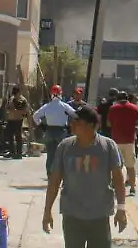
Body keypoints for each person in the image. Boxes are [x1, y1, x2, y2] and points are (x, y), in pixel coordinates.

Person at [42, 105, 128, 248]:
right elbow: (54, 181)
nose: (72, 125)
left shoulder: (108, 146)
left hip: (99, 216)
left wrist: (121, 208)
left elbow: (118, 179)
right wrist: (47, 212)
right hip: (72, 216)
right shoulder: (65, 146)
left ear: (91, 125)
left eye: (77, 122)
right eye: (72, 121)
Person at [34, 85, 77, 174]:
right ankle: (61, 174)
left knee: (50, 154)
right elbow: (76, 115)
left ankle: (50, 174)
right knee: (62, 154)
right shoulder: (64, 106)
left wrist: (42, 126)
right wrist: (71, 126)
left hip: (49, 131)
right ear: (60, 93)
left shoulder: (47, 106)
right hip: (61, 132)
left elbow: (35, 116)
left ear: (51, 94)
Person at [107, 92, 138, 195]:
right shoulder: (135, 108)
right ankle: (132, 188)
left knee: (116, 166)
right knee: (130, 166)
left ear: (118, 99)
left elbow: (108, 123)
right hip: (129, 141)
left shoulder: (113, 108)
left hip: (116, 141)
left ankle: (115, 186)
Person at [5, 86, 32, 159]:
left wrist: (16, 111)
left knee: (18, 137)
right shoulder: (12, 98)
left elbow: (25, 111)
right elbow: (7, 108)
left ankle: (19, 154)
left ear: (19, 93)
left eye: (16, 94)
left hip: (18, 120)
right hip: (10, 120)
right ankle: (12, 152)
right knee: (9, 136)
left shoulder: (23, 100)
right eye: (14, 94)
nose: (15, 96)